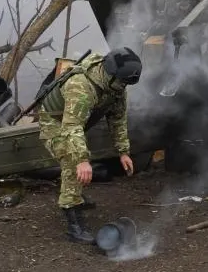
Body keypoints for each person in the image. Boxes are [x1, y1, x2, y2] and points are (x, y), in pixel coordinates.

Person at [37, 47, 142, 244]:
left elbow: (118, 119)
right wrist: (82, 160)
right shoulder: (81, 86)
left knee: (78, 156)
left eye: (126, 84)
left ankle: (75, 194)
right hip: (55, 123)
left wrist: (123, 152)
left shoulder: (116, 87)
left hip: (75, 122)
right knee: (70, 160)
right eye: (122, 82)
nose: (123, 87)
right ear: (110, 75)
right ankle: (73, 222)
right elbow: (71, 126)